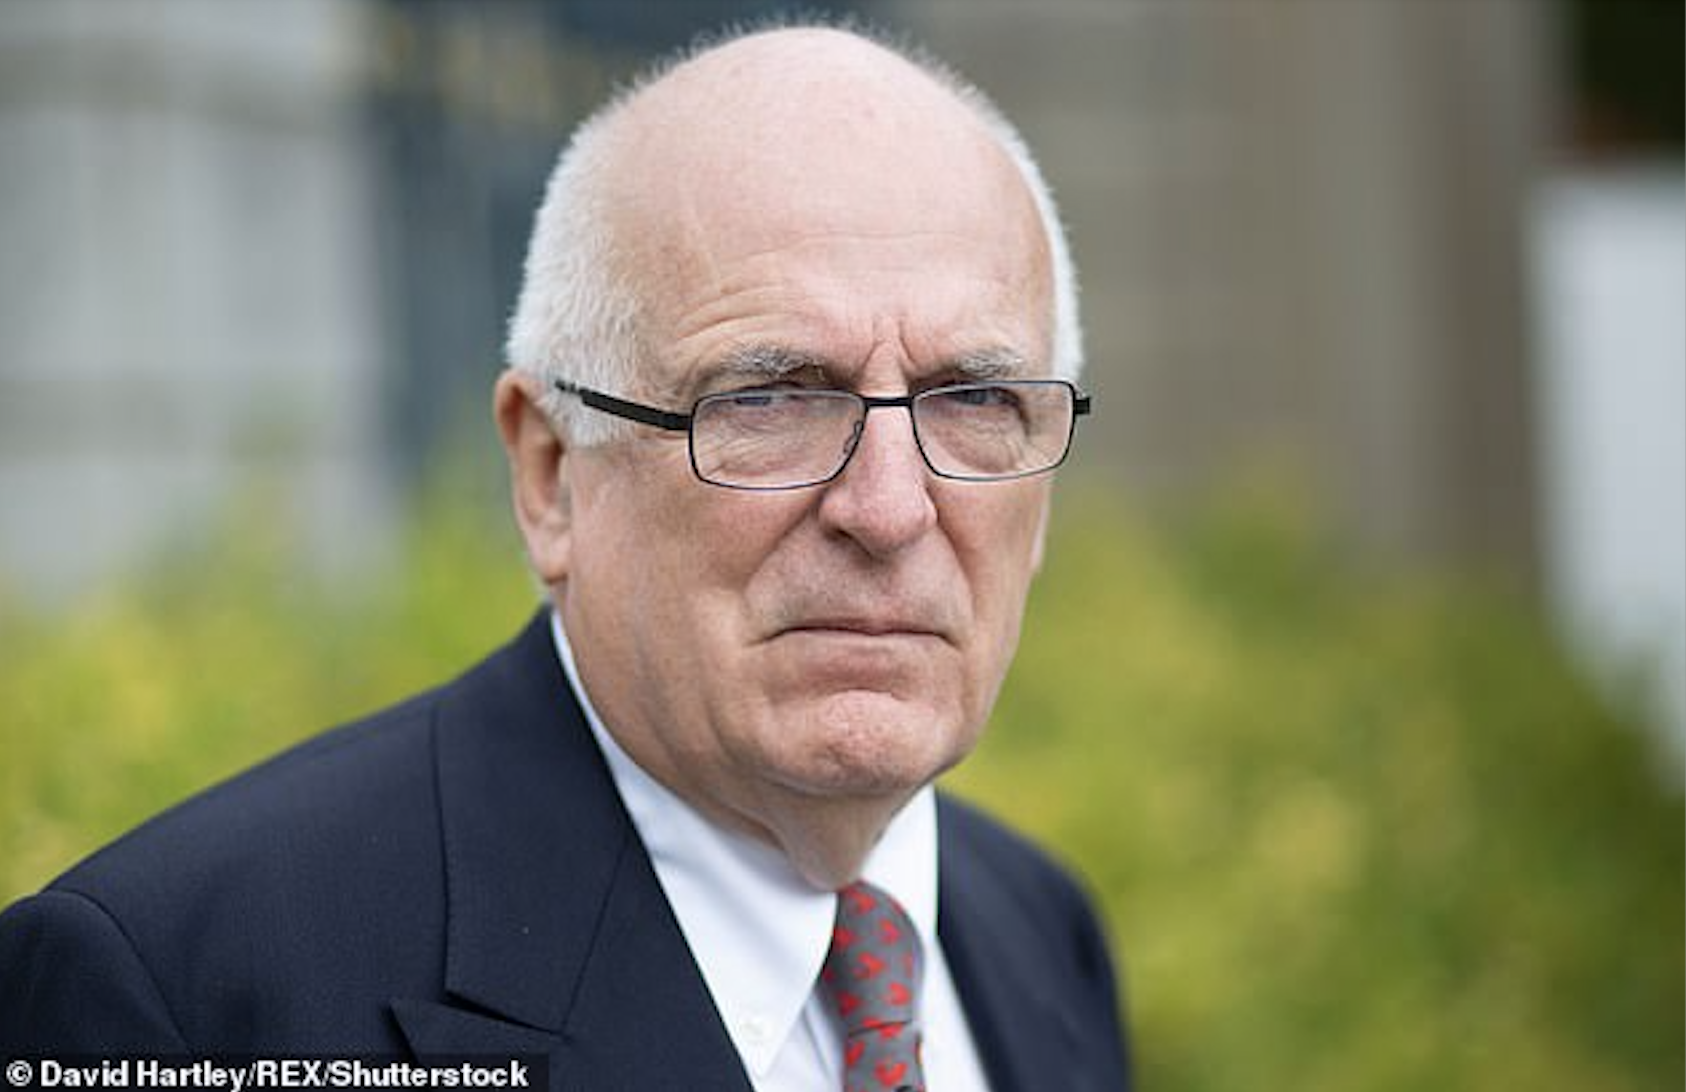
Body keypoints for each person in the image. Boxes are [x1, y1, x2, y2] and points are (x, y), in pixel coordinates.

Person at [0, 23, 1130, 1092]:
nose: (887, 509)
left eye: (975, 400)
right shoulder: (179, 1000)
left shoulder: (1037, 930)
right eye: (769, 398)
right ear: (550, 475)